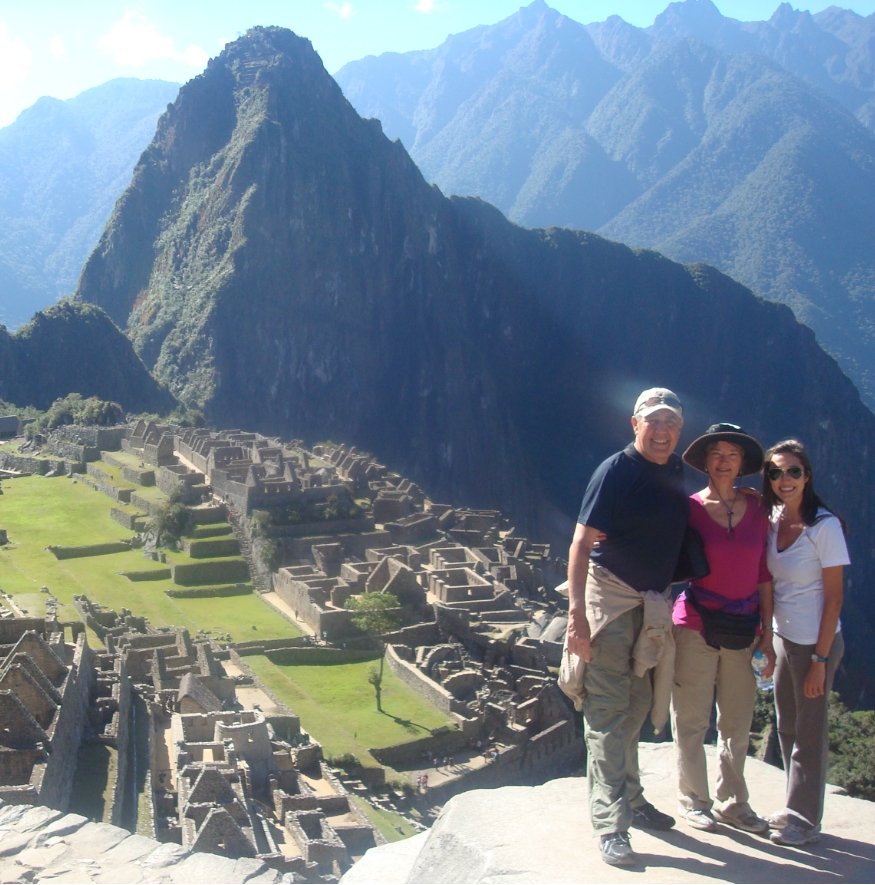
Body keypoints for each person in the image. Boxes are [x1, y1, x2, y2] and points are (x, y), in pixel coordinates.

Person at [566, 387, 688, 867]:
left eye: (670, 423)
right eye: (653, 421)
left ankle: (632, 799)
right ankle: (611, 825)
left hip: (650, 606)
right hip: (611, 604)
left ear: (680, 429)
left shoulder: (673, 468)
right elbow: (580, 543)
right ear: (635, 423)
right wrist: (577, 615)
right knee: (607, 714)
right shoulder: (615, 471)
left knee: (636, 707)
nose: (662, 431)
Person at [671, 424, 774, 834]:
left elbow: (764, 572)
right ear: (705, 462)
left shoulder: (759, 509)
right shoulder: (689, 509)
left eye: (732, 453)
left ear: (742, 462)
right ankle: (694, 800)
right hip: (695, 623)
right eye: (716, 453)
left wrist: (767, 631)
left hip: (744, 626)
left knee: (736, 721)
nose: (724, 460)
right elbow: (658, 546)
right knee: (691, 718)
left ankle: (733, 802)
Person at [762, 440, 849, 847]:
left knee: (810, 732)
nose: (785, 479)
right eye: (776, 472)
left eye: (793, 471)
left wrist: (820, 659)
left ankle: (806, 820)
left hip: (816, 642)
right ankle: (793, 805)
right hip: (784, 638)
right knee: (787, 726)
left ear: (807, 476)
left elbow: (835, 599)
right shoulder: (774, 519)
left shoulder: (824, 527)